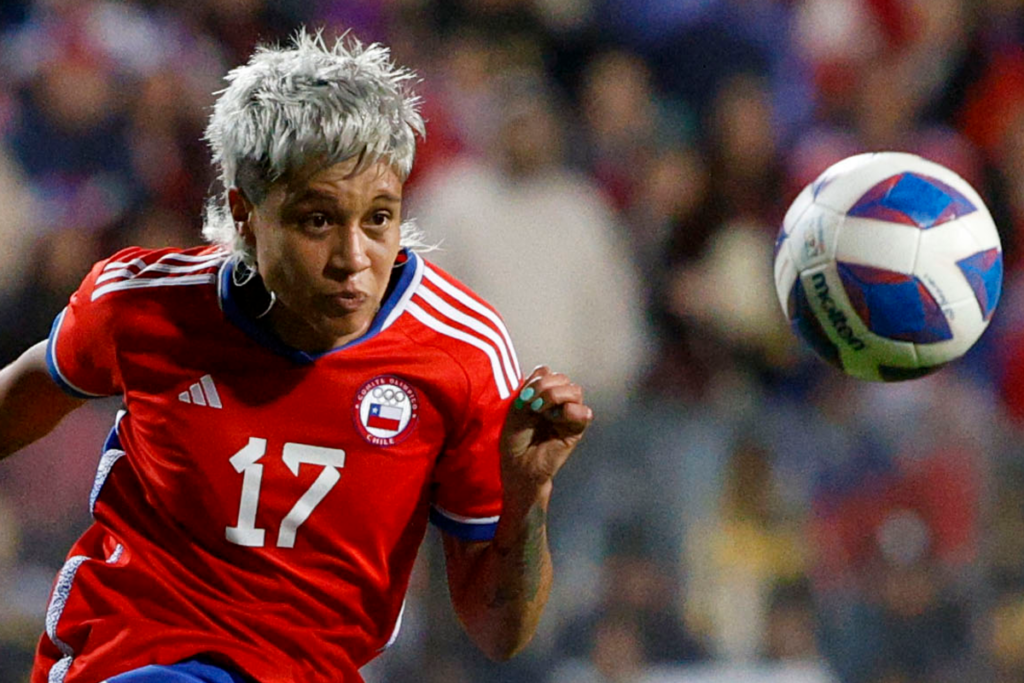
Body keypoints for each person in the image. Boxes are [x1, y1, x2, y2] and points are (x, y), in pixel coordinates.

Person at [0, 30, 593, 683]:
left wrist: (529, 493)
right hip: (135, 653)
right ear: (246, 214)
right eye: (317, 220)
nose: (352, 259)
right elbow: (20, 400)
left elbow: (498, 631)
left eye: (378, 217)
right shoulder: (140, 304)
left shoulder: (461, 351)